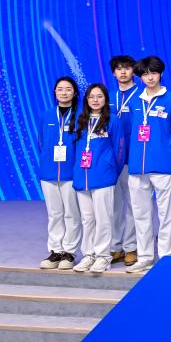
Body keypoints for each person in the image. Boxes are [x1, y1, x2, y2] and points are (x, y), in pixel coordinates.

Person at [123, 56, 171, 274]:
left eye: (153, 73)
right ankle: (144, 257)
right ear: (140, 77)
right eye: (145, 74)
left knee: (166, 214)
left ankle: (167, 258)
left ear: (161, 74)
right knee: (140, 215)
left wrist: (169, 154)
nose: (150, 77)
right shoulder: (135, 101)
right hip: (137, 168)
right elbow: (128, 133)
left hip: (163, 167)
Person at [71, 84, 125, 274]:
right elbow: (75, 148)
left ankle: (103, 256)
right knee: (87, 219)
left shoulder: (113, 120)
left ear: (105, 99)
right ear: (86, 100)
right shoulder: (80, 120)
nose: (95, 100)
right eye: (91, 97)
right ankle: (89, 254)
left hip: (103, 176)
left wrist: (111, 169)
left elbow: (119, 149)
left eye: (99, 96)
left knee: (103, 218)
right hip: (82, 176)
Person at [39, 76, 81, 270]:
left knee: (72, 213)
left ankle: (69, 252)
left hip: (71, 172)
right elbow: (41, 142)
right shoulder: (47, 115)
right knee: (54, 213)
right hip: (48, 172)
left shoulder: (81, 115)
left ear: (75, 92)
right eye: (60, 89)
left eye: (68, 89)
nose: (64, 92)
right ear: (55, 92)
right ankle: (55, 251)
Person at [108, 55, 139, 266]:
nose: (123, 72)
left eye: (127, 68)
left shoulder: (142, 96)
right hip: (111, 161)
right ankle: (115, 247)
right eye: (119, 69)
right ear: (113, 73)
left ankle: (131, 247)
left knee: (134, 206)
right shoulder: (107, 97)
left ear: (133, 71)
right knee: (114, 206)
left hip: (134, 158)